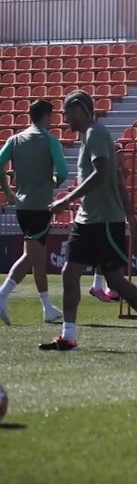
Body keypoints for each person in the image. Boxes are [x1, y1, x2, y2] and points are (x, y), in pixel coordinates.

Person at [39, 90, 137, 351]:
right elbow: (117, 177)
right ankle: (68, 336)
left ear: (79, 110)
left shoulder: (96, 133)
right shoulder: (90, 136)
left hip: (105, 221)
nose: (65, 119)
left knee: (115, 281)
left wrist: (66, 201)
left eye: (67, 113)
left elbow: (102, 173)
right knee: (70, 272)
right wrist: (130, 214)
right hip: (88, 219)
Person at [0, 99, 69, 325]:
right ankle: (2, 295)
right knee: (32, 256)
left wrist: (8, 190)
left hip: (21, 206)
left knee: (38, 257)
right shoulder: (50, 142)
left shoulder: (15, 139)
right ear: (46, 116)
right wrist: (52, 181)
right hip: (40, 206)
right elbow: (63, 172)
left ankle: (47, 308)